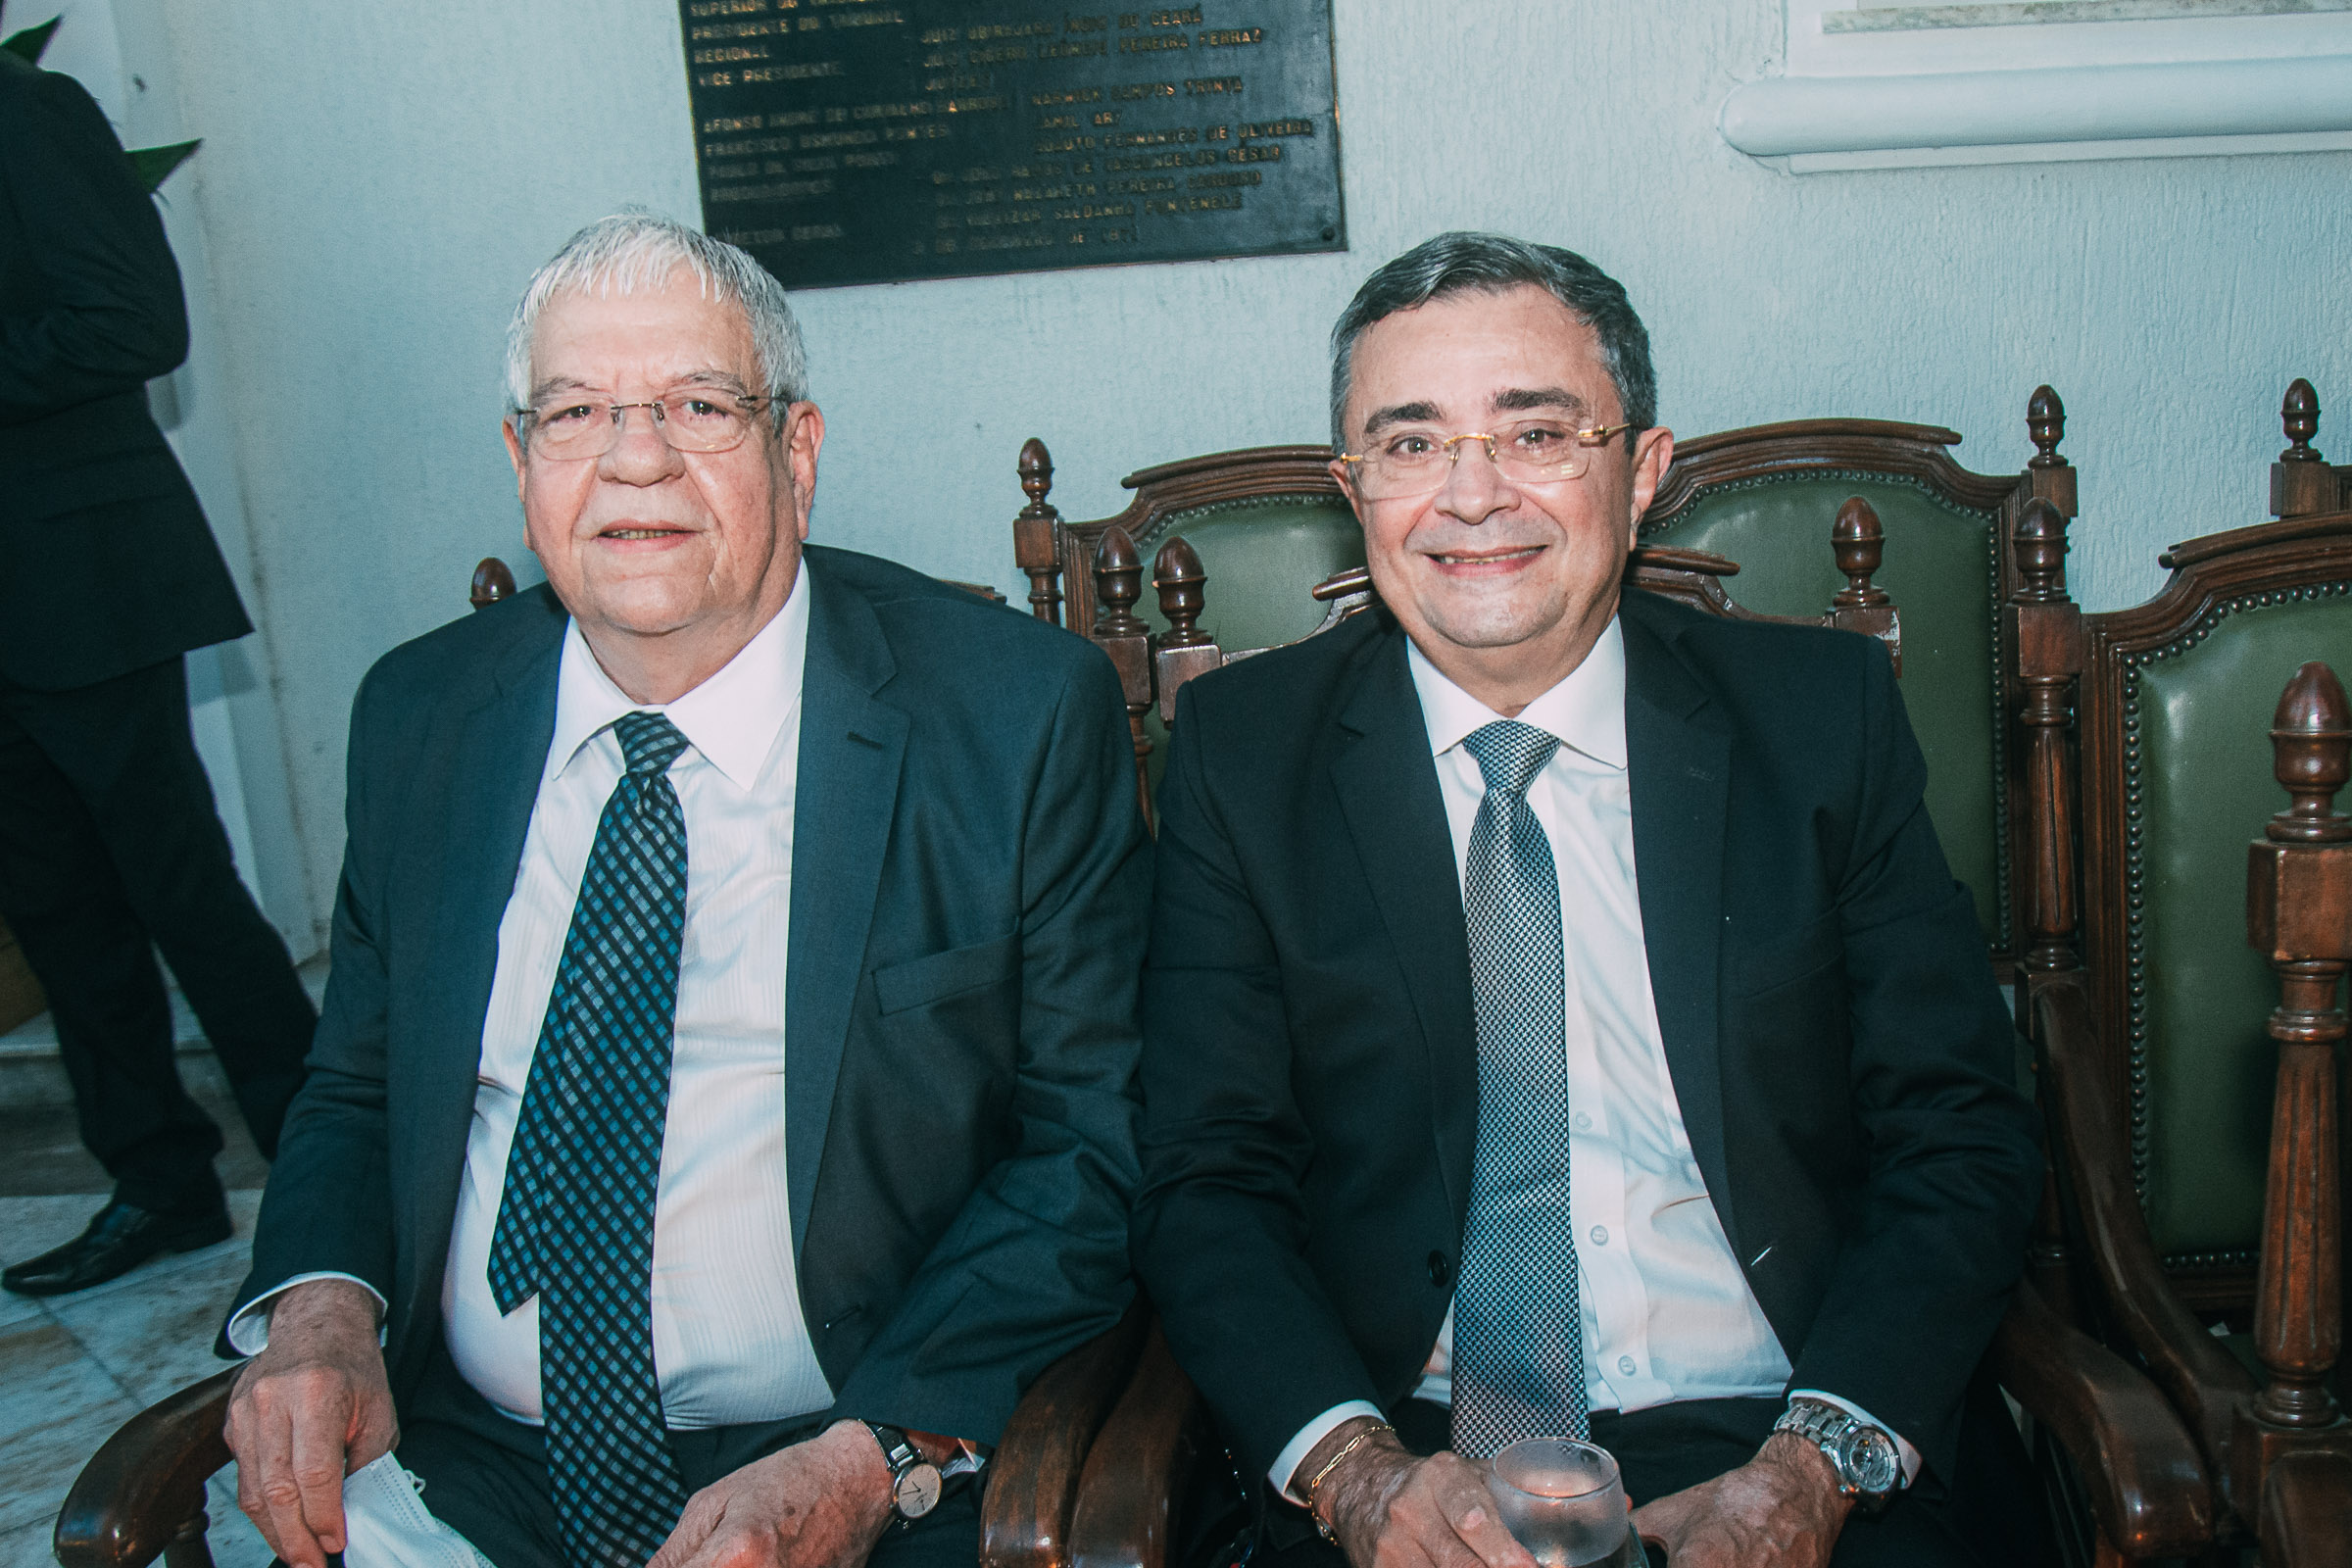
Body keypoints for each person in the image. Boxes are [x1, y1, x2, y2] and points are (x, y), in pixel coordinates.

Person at [220, 213, 1149, 1568]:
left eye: (699, 405)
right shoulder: (422, 716)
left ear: (796, 452)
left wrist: (874, 1454)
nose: (635, 457)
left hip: (852, 1450)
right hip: (458, 1459)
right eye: (576, 411)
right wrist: (319, 1310)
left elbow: (1090, 1147)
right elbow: (358, 1087)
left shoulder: (1010, 718)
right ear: (521, 463)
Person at [1130, 233, 2045, 1568]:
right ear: (1353, 488)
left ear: (1644, 470)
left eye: (1538, 434)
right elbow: (1206, 1178)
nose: (1473, 497)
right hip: (1405, 1446)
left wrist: (1811, 1470)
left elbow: (1960, 1134)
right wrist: (1354, 1475)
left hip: (1782, 1425)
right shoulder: (1242, 758)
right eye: (1411, 443)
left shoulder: (1816, 724)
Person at [0, 41, 317, 1295]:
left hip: (85, 587)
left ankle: (325, 1179)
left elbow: (134, 319)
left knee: (179, 885)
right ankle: (160, 1184)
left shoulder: (32, 114)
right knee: (56, 910)